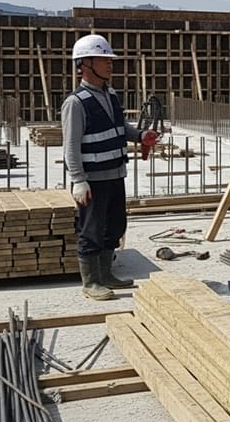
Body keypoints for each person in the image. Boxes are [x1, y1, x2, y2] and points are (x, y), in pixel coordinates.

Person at [62, 34, 160, 301]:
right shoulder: (76, 102)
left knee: (116, 227)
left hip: (116, 173)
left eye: (109, 59)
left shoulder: (110, 94)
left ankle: (105, 274)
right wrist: (78, 180)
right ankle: (91, 282)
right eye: (104, 59)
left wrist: (140, 136)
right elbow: (70, 147)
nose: (110, 64)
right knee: (91, 231)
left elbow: (119, 129)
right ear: (84, 63)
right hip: (92, 180)